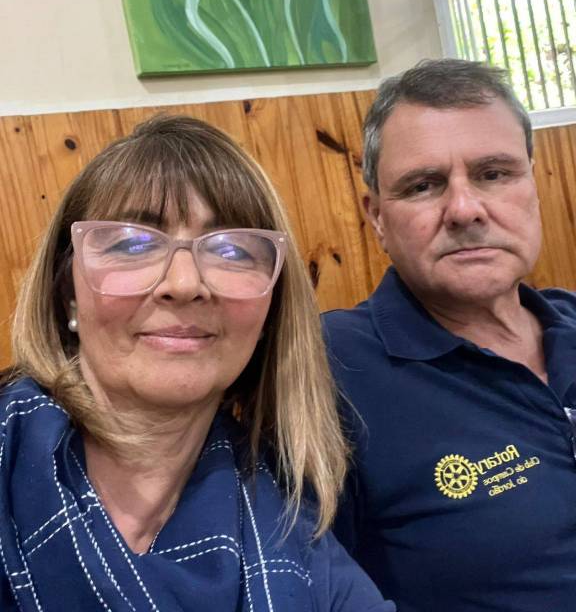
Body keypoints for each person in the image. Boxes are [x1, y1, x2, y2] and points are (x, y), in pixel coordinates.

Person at [0, 115, 394, 612]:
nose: (185, 284)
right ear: (67, 295)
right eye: (132, 244)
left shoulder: (296, 542)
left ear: (270, 310)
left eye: (232, 251)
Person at [323, 59, 576, 612]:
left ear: (533, 185)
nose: (464, 210)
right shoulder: (330, 368)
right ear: (377, 217)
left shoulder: (570, 322)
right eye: (423, 186)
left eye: (494, 174)